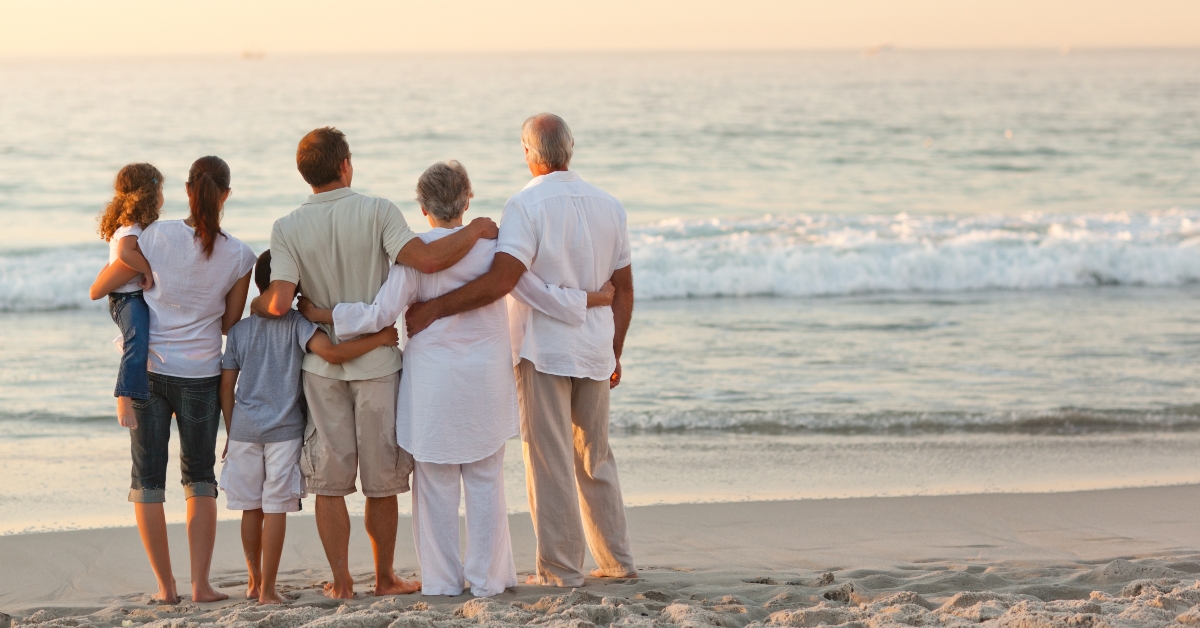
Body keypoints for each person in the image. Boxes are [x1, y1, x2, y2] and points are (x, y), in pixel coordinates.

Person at [299, 161, 613, 597]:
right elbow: (536, 294)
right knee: (486, 482)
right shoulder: (494, 249)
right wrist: (591, 300)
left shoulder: (413, 257)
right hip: (485, 379)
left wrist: (324, 314)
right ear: (467, 200)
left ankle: (443, 582)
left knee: (435, 487)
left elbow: (378, 316)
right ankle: (489, 581)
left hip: (433, 384)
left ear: (423, 207)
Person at [250, 127, 498, 598]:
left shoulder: (285, 227)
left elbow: (280, 301)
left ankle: (342, 582)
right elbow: (423, 260)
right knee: (381, 480)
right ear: (346, 165)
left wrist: (257, 309)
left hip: (322, 370)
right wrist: (478, 229)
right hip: (379, 364)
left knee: (329, 480)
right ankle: (384, 578)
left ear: (305, 174)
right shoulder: (378, 210)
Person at [404, 114, 637, 587]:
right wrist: (615, 349)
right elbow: (625, 288)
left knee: (548, 458)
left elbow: (503, 279)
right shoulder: (610, 205)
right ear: (569, 149)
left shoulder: (525, 206)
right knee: (596, 456)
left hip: (544, 349)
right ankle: (617, 561)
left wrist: (436, 309)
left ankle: (561, 569)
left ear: (530, 154)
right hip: (594, 348)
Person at [91, 155, 256, 603]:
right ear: (225, 195)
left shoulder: (155, 234)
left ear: (187, 191)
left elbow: (117, 281)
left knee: (147, 480)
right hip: (201, 373)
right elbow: (228, 323)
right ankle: (200, 586)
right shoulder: (240, 255)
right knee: (199, 478)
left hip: (148, 371)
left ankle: (166, 590)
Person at [219, 250, 403, 605]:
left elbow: (227, 387)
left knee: (250, 508)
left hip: (243, 431)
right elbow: (332, 354)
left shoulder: (239, 331)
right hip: (284, 432)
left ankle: (254, 583)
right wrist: (379, 340)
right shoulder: (298, 325)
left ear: (258, 285)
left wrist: (231, 428)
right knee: (274, 507)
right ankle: (269, 592)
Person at [88, 163, 163, 429]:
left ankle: (162, 392)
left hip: (133, 296)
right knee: (138, 339)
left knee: (155, 340)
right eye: (161, 189)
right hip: (126, 298)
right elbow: (123, 256)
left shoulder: (135, 226)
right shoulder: (131, 228)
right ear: (150, 195)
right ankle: (124, 396)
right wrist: (148, 271)